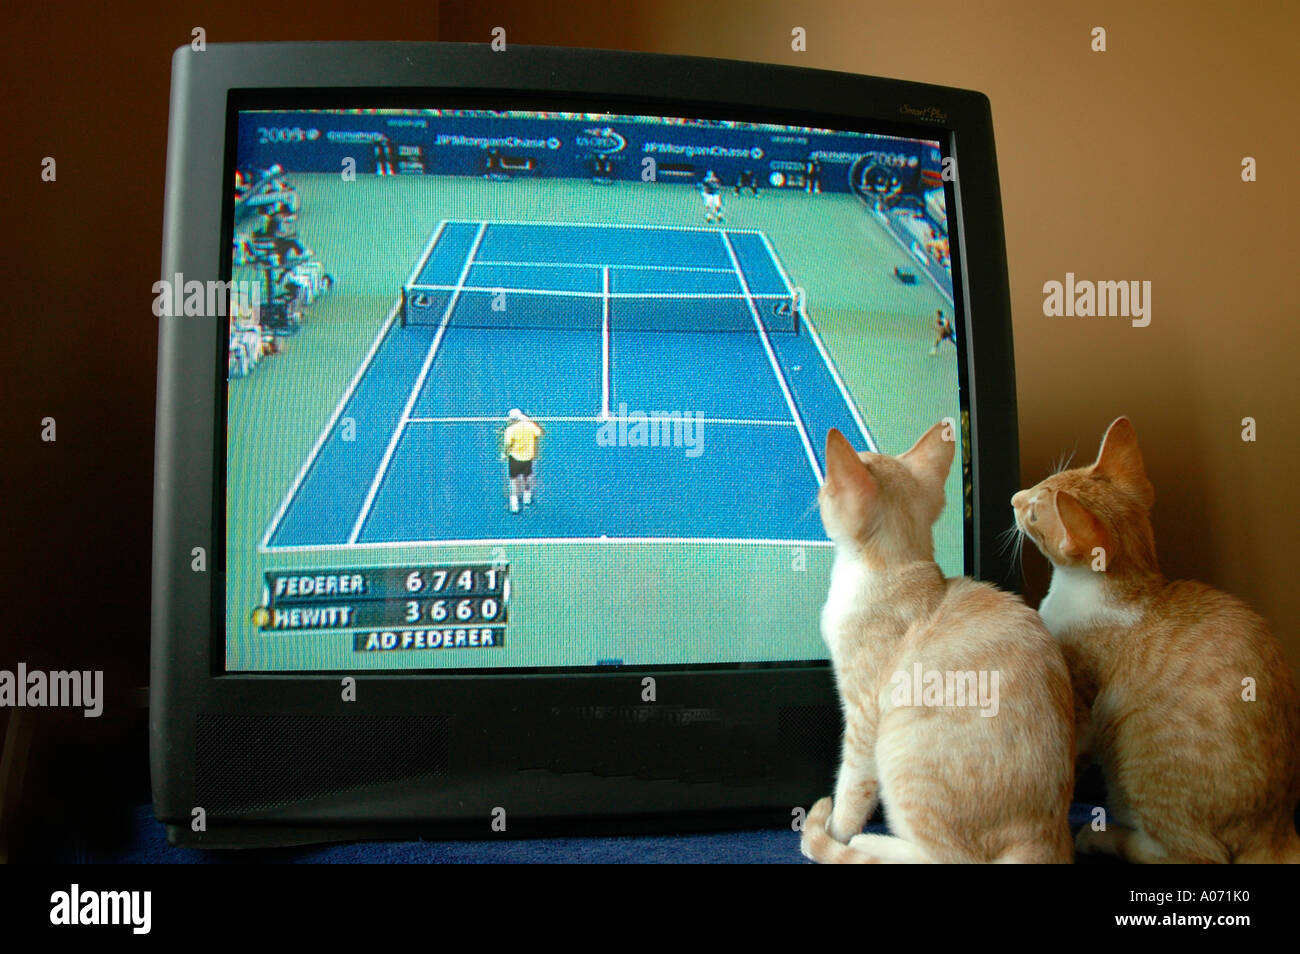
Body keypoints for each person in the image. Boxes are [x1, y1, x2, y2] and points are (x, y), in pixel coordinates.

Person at [502, 409, 543, 512]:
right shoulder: (530, 426)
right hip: (528, 458)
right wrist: (528, 421)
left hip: (515, 458)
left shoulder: (510, 430)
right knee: (527, 477)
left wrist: (505, 454)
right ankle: (527, 497)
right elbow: (538, 432)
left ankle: (514, 503)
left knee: (513, 480)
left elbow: (507, 445)